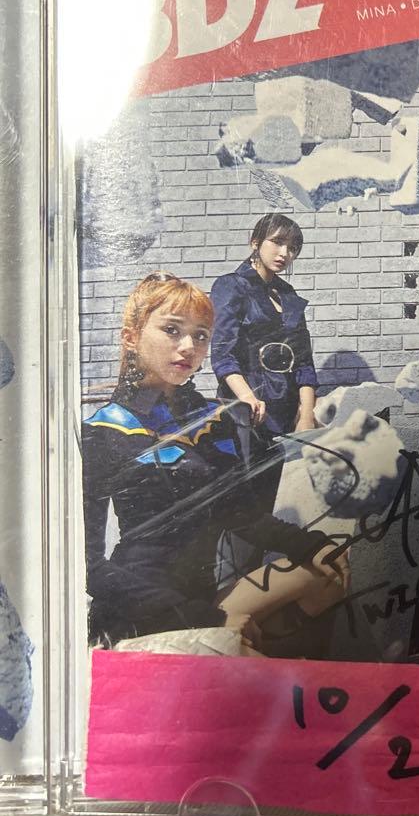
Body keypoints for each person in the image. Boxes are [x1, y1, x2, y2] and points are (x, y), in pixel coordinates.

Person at [82, 273, 349, 651]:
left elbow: (238, 514)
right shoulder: (102, 429)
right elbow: (88, 566)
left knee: (329, 572)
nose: (188, 346)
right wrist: (204, 619)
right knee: (260, 669)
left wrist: (312, 545)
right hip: (145, 613)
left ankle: (249, 650)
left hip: (206, 601)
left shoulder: (211, 418)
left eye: (201, 335)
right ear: (131, 337)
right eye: (172, 330)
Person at [210, 214, 317, 513]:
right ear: (255, 242)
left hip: (288, 410)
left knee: (286, 503)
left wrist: (306, 414)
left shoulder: (288, 295)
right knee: (250, 506)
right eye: (277, 242)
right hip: (248, 411)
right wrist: (247, 398)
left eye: (293, 247)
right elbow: (222, 355)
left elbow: (304, 361)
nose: (285, 253)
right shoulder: (231, 286)